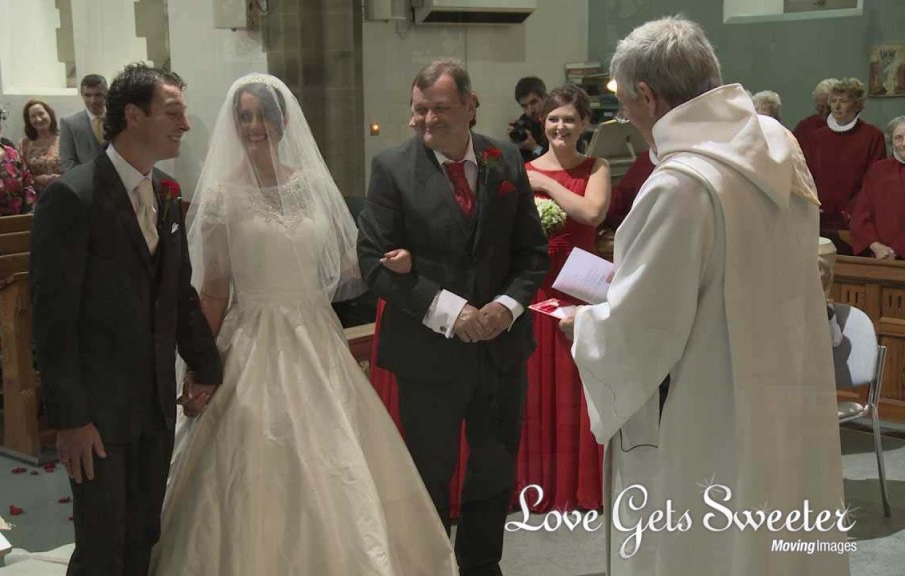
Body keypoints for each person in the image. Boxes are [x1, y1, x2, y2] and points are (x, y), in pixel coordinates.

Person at [558, 16, 848, 576]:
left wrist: (586, 325)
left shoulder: (681, 183)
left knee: (710, 539)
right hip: (786, 383)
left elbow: (643, 329)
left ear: (648, 94)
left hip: (709, 402)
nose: (628, 117)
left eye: (625, 103)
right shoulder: (778, 144)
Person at [149, 73, 457, 575]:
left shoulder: (311, 184)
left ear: (283, 119)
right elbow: (213, 291)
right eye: (243, 117)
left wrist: (395, 260)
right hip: (250, 337)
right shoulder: (222, 199)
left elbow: (350, 259)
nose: (253, 126)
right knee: (250, 460)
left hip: (315, 333)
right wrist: (199, 363)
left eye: (262, 115)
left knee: (337, 454)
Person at [357, 59, 549, 576]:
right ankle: (432, 567)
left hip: (500, 352)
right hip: (429, 356)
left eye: (440, 109)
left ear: (470, 106)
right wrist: (453, 311)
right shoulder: (392, 168)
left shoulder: (503, 158)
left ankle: (482, 567)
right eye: (419, 110)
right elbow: (374, 263)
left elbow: (532, 254)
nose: (426, 121)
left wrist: (505, 308)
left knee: (494, 470)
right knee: (430, 475)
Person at [31, 63, 223, 576]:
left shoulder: (165, 192)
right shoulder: (73, 197)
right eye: (173, 112)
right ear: (134, 115)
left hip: (154, 404)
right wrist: (70, 419)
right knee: (101, 547)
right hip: (97, 413)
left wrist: (207, 365)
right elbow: (53, 322)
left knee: (142, 535)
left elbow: (176, 293)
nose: (184, 123)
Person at [521, 83, 610, 513]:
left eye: (570, 119)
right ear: (544, 122)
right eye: (554, 119)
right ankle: (539, 484)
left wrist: (546, 185)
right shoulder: (524, 169)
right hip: (539, 290)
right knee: (538, 388)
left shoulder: (597, 167)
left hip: (581, 288)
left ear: (584, 125)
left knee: (579, 386)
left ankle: (582, 486)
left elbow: (592, 214)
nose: (560, 126)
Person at [802, 77, 886, 249]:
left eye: (844, 101)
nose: (837, 106)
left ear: (857, 105)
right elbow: (807, 175)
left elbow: (873, 181)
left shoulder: (872, 136)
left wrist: (851, 211)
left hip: (854, 220)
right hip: (819, 217)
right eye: (833, 101)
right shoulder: (816, 137)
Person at [850, 115, 905, 259]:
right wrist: (875, 245)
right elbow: (861, 213)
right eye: (898, 138)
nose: (904, 143)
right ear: (891, 141)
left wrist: (896, 250)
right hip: (878, 256)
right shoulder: (879, 170)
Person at [59, 74, 108, 172]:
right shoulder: (69, 123)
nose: (93, 100)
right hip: (85, 183)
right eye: (88, 95)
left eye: (98, 95)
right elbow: (67, 162)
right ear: (81, 95)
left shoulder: (119, 119)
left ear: (106, 93)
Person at [19, 99, 62, 194]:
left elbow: (76, 167)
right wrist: (37, 179)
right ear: (29, 121)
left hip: (65, 192)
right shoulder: (24, 144)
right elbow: (20, 174)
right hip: (38, 199)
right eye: (33, 116)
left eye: (41, 113)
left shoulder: (66, 139)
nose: (38, 119)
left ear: (49, 114)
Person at [509, 76, 548, 162]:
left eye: (533, 102)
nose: (530, 110)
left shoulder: (557, 121)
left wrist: (534, 147)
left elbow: (556, 163)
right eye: (524, 106)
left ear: (545, 97)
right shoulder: (524, 121)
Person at [792, 78, 836, 146]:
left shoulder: (848, 127)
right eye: (821, 107)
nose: (825, 112)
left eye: (830, 108)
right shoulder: (804, 128)